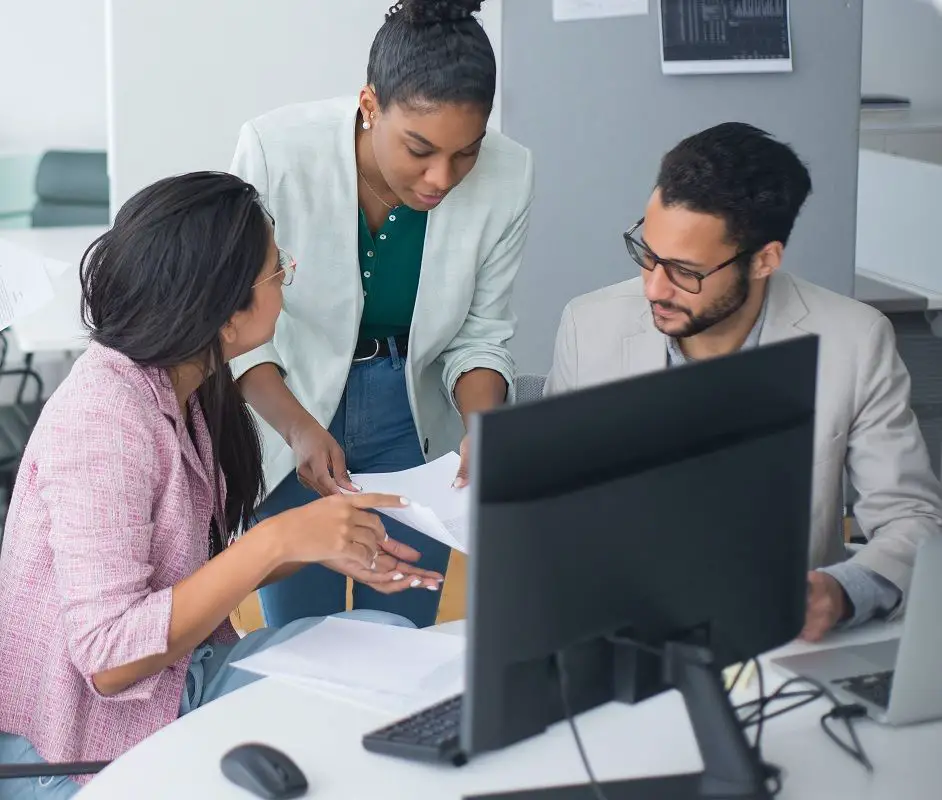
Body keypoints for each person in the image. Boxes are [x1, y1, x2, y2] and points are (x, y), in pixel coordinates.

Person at [0, 172, 443, 798]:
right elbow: (108, 659)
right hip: (79, 753)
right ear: (223, 313)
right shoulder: (104, 420)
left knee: (391, 645)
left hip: (172, 688)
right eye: (275, 271)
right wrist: (277, 542)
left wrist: (310, 544)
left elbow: (183, 585)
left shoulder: (182, 387)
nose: (286, 283)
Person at [545, 122, 942, 642]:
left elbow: (912, 521)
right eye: (647, 254)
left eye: (685, 271)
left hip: (778, 643)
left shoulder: (855, 340)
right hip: (618, 634)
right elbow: (549, 501)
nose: (653, 287)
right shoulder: (589, 325)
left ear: (763, 260)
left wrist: (841, 593)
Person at [229, 0, 533, 629]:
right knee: (298, 636)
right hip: (292, 403)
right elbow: (233, 326)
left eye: (466, 152)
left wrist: (487, 428)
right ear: (369, 103)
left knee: (403, 626)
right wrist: (298, 428)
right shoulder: (276, 151)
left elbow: (481, 335)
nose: (441, 177)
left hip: (414, 416)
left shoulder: (510, 175)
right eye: (419, 148)